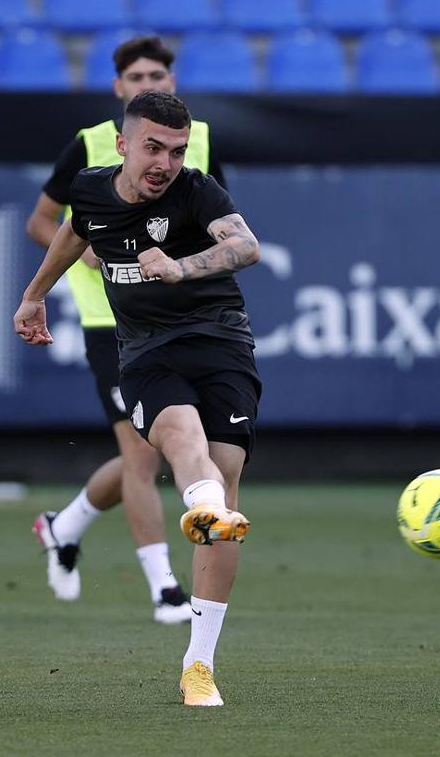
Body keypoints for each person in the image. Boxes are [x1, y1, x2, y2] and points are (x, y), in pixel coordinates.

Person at [14, 91, 260, 707]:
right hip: (147, 349)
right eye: (153, 147)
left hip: (221, 339)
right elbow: (72, 234)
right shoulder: (94, 188)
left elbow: (245, 246)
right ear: (123, 144)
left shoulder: (198, 191)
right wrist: (34, 294)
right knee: (178, 435)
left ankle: (198, 664)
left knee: (225, 477)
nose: (165, 163)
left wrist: (183, 267)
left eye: (176, 151)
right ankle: (204, 506)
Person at [26, 35, 224, 622]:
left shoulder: (200, 143)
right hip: (109, 320)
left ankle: (65, 525)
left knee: (162, 450)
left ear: (172, 84)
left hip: (179, 318)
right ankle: (165, 589)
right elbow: (42, 221)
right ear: (120, 92)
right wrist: (84, 255)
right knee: (144, 452)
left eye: (157, 77)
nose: (148, 85)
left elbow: (218, 222)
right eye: (136, 78)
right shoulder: (88, 147)